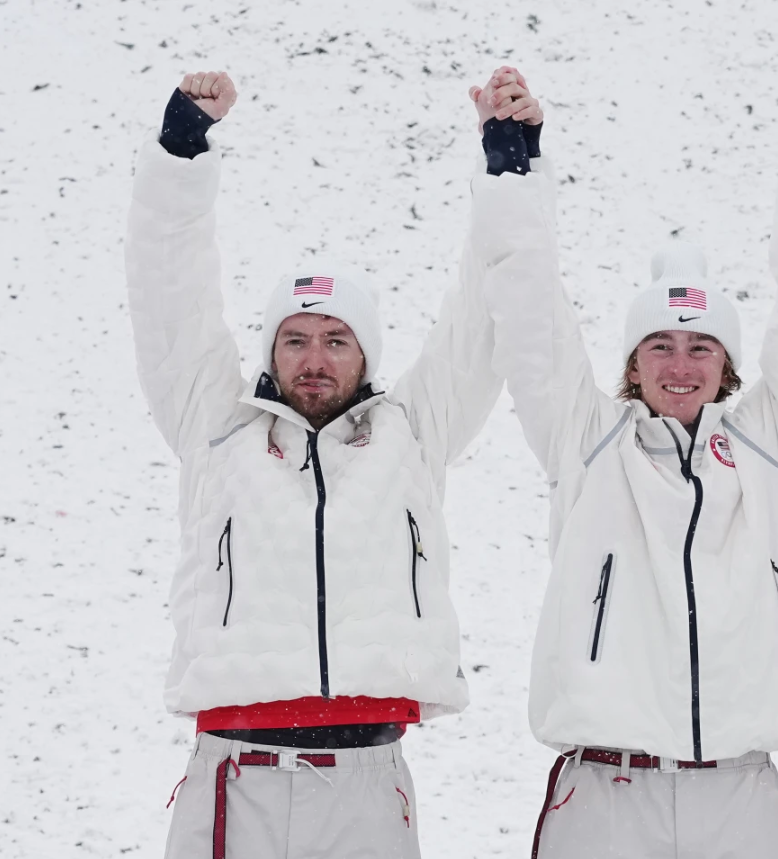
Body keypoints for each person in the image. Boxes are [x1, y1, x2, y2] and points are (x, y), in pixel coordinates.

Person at [465, 67, 778, 859]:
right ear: (632, 361)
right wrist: (514, 160)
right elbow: (529, 309)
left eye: (700, 347)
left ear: (726, 364)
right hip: (606, 795)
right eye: (660, 345)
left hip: (739, 790)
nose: (679, 365)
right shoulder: (587, 441)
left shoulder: (771, 444)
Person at [125, 71, 502, 858]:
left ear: (365, 354)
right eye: (295, 338)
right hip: (235, 773)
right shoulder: (215, 427)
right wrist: (182, 152)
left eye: (337, 339)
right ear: (270, 351)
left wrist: (507, 167)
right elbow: (170, 296)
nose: (315, 358)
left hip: (366, 780)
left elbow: (483, 319)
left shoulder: (412, 432)